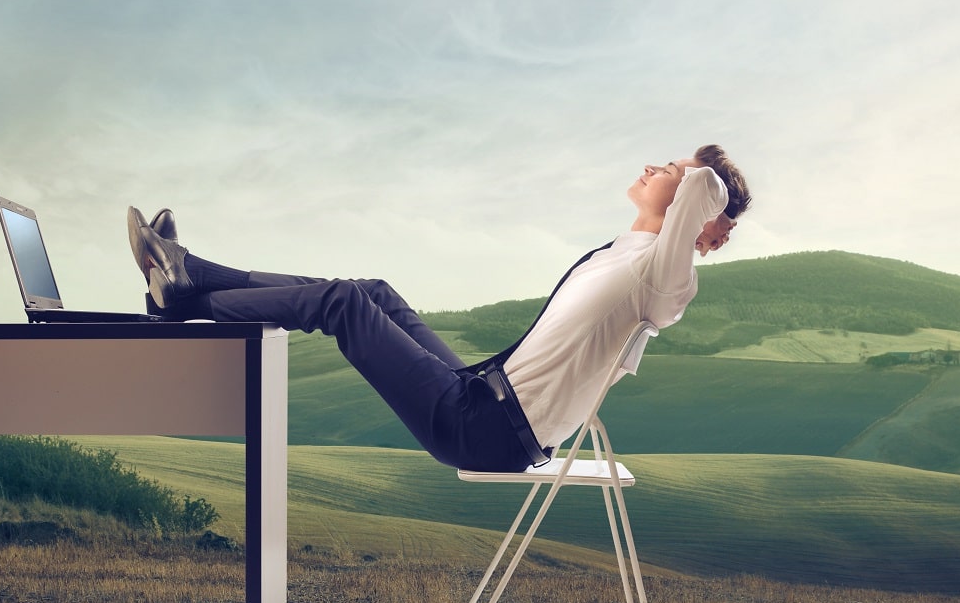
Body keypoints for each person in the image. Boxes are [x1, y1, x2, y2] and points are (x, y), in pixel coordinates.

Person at [127, 145, 751, 472]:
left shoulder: (665, 280)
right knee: (374, 292)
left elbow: (699, 198)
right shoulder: (627, 252)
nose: (652, 167)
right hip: (483, 393)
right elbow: (686, 201)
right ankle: (189, 280)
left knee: (342, 304)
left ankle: (184, 290)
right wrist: (690, 191)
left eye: (669, 168)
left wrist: (706, 191)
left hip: (486, 432)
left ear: (692, 205)